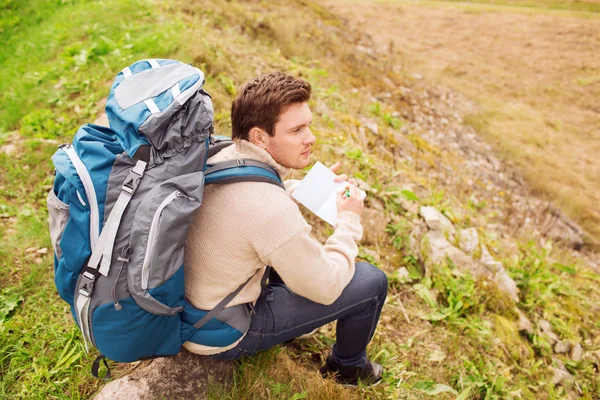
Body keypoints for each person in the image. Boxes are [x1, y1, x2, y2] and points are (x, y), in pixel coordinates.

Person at [183, 72, 388, 386]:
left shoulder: (222, 153)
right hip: (219, 330)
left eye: (308, 125)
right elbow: (327, 287)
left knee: (292, 256)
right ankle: (348, 368)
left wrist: (306, 189)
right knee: (371, 282)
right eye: (297, 130)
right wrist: (348, 220)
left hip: (190, 304)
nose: (311, 138)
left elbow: (249, 200)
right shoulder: (269, 209)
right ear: (260, 137)